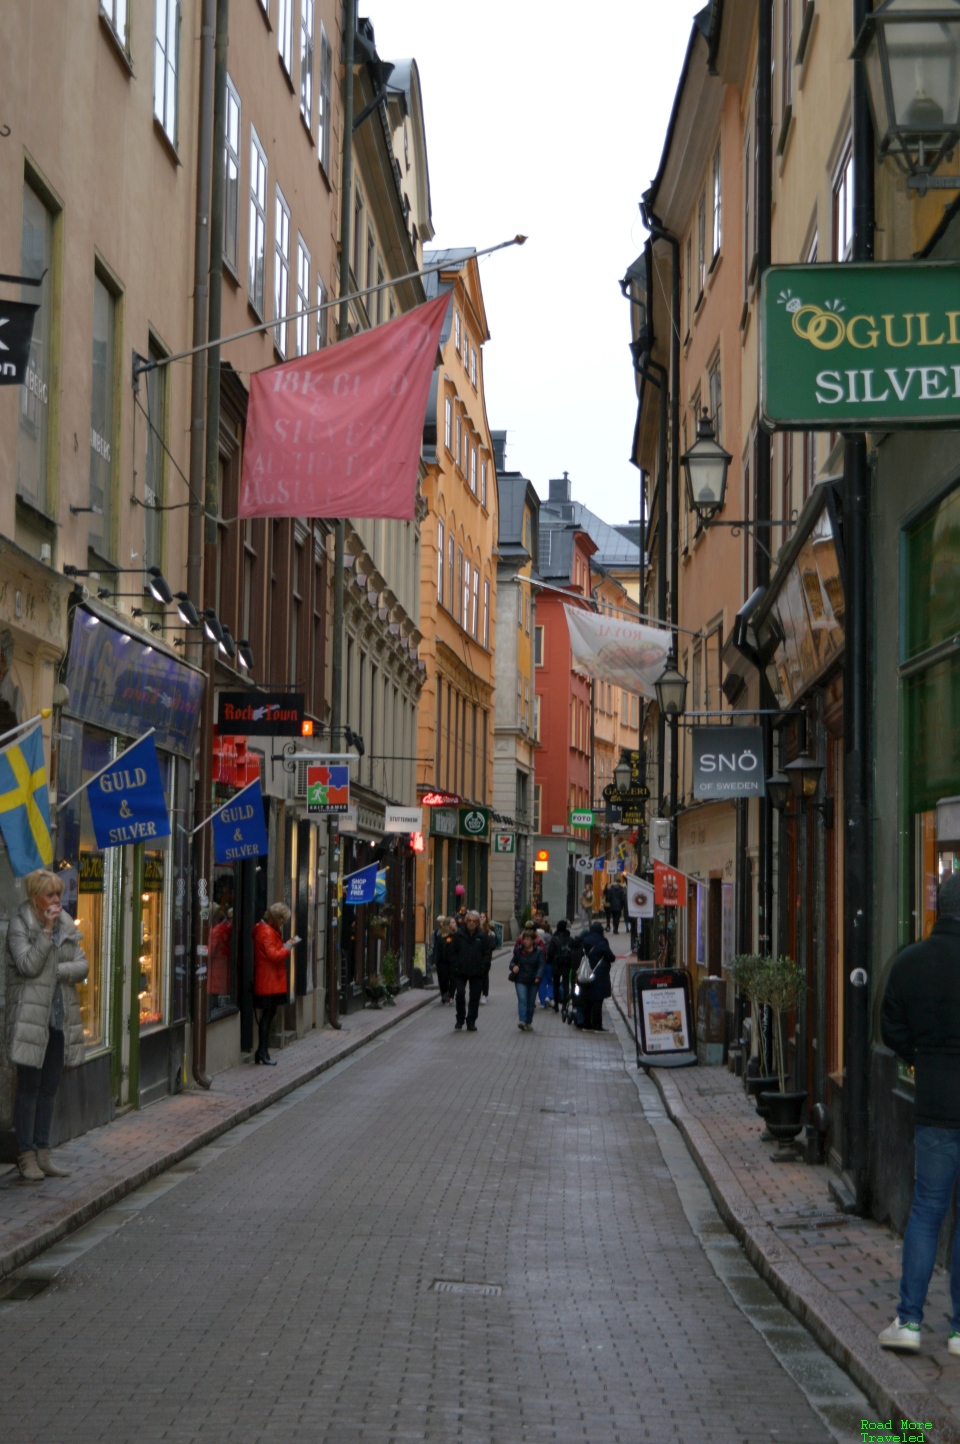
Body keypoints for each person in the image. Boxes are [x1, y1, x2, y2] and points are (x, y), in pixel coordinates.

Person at [878, 872, 960, 1356]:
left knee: (927, 1212)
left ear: (938, 909)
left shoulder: (910, 962)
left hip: (933, 1105)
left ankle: (909, 1321)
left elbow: (891, 1026)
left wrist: (917, 1057)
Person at [6, 868, 89, 1182]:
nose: (57, 900)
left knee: (50, 1089)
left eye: (58, 894)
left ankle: (43, 1152)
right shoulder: (20, 925)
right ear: (34, 897)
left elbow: (82, 964)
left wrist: (56, 972)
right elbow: (27, 965)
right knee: (29, 1088)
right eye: (50, 894)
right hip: (30, 1020)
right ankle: (25, 1155)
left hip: (58, 1019)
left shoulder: (66, 924)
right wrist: (45, 933)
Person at [252, 903, 300, 1065]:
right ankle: (262, 1051)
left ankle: (262, 1051)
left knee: (269, 1015)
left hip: (272, 979)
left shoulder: (268, 930)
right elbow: (273, 955)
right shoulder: (265, 932)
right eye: (282, 920)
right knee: (267, 1015)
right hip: (269, 980)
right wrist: (287, 947)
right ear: (277, 919)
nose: (283, 923)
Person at [452, 910, 491, 1032]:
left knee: (474, 997)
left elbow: (487, 954)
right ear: (465, 921)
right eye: (469, 921)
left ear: (478, 922)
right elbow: (453, 953)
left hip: (477, 972)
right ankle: (460, 1018)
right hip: (460, 971)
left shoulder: (482, 936)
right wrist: (456, 966)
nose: (471, 923)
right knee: (460, 994)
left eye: (474, 921)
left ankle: (471, 1021)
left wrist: (483, 968)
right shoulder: (458, 935)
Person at [574, 919, 615, 1031]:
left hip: (586, 974)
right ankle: (597, 1024)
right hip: (599, 975)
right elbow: (611, 957)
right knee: (598, 1000)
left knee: (587, 999)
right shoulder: (602, 942)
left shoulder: (584, 941)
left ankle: (587, 1024)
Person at [510, 928, 546, 1032]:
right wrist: (513, 967)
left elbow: (541, 965)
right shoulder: (519, 950)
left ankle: (528, 1022)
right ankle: (522, 1021)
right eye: (524, 939)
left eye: (528, 939)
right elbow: (512, 962)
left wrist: (538, 976)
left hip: (533, 980)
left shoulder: (539, 951)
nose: (525, 941)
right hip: (520, 979)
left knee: (530, 1002)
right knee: (522, 999)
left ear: (533, 940)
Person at [547, 920, 574, 1015]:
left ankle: (556, 1005)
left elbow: (550, 952)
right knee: (566, 985)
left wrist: (551, 960)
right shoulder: (570, 938)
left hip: (556, 964)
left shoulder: (554, 939)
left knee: (556, 985)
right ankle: (565, 1006)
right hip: (566, 964)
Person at [432, 915, 455, 1004]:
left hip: (453, 962)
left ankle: (450, 995)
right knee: (443, 980)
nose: (455, 924)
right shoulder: (440, 936)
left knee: (453, 979)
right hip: (442, 962)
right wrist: (434, 961)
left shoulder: (456, 936)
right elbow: (436, 949)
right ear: (448, 925)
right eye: (452, 922)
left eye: (454, 922)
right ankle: (444, 994)